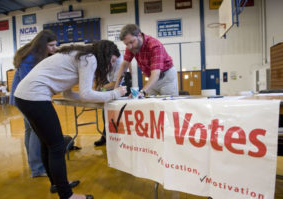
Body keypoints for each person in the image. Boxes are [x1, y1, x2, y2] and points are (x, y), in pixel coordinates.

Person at [14, 40, 127, 199]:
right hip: (35, 96)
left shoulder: (78, 54)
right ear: (105, 55)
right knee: (57, 146)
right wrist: (115, 93)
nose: (112, 64)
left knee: (48, 144)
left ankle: (57, 184)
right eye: (113, 60)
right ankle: (66, 195)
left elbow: (69, 94)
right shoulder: (90, 59)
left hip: (24, 96)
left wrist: (92, 98)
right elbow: (86, 94)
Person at [9, 30, 58, 178]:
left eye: (55, 45)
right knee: (36, 132)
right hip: (25, 98)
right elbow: (28, 82)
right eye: (51, 45)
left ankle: (35, 165)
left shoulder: (35, 54)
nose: (54, 48)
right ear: (42, 45)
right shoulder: (29, 57)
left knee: (30, 131)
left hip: (25, 97)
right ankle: (37, 168)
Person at [114, 24, 178, 97]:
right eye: (126, 44)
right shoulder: (130, 47)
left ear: (139, 35)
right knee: (152, 105)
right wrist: (115, 89)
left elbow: (156, 74)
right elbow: (124, 65)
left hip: (166, 78)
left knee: (168, 104)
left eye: (131, 42)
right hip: (152, 77)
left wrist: (142, 92)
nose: (129, 46)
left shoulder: (154, 45)